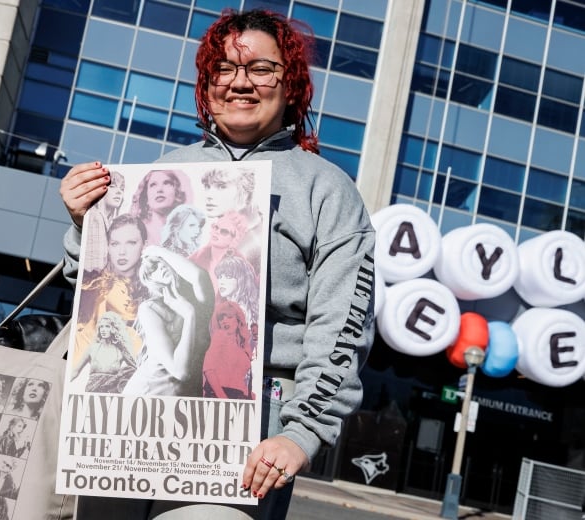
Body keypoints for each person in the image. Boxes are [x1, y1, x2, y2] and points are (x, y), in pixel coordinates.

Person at [60, 8, 375, 519]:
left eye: (261, 69)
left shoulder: (327, 190)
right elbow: (98, 294)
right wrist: (83, 225)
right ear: (207, 88)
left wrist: (301, 433)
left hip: (247, 425)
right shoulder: (161, 173)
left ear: (289, 84)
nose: (240, 83)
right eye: (224, 69)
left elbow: (343, 325)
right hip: (126, 419)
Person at [121, 245, 214, 397]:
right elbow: (180, 371)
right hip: (147, 394)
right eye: (152, 270)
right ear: (150, 280)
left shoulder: (200, 303)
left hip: (183, 399)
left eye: (160, 263)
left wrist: (159, 251)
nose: (160, 268)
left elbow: (199, 276)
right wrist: (189, 315)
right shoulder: (150, 309)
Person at [74, 214, 148, 364]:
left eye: (131, 243)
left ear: (144, 245)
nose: (122, 251)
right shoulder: (92, 282)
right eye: (115, 244)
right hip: (83, 361)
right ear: (108, 246)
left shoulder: (153, 289)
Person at [70, 311, 137, 393]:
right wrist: (66, 384)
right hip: (92, 390)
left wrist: (121, 381)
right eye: (101, 327)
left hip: (112, 392)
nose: (103, 330)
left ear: (114, 328)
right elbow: (75, 371)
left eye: (107, 326)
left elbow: (135, 368)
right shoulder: (92, 348)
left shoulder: (121, 349)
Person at [202, 300, 254, 399]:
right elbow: (208, 369)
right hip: (219, 395)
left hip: (240, 396)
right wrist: (224, 398)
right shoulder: (219, 336)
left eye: (229, 317)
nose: (224, 321)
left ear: (238, 320)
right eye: (221, 318)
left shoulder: (243, 345)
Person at [130, 169, 190, 245]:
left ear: (176, 192)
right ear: (146, 196)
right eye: (153, 185)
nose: (159, 189)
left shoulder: (186, 234)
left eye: (167, 183)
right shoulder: (136, 232)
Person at [82, 170, 126, 272]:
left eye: (122, 188)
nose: (119, 191)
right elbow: (95, 266)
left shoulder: (109, 221)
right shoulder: (95, 217)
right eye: (112, 186)